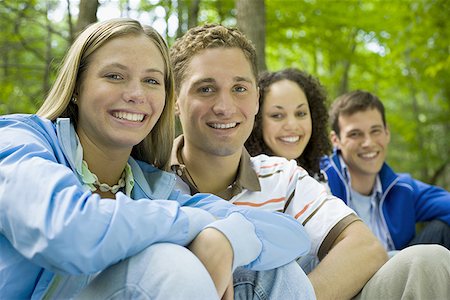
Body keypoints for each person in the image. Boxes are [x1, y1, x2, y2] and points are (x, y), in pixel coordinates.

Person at [0, 18, 314, 299]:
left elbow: (291, 234)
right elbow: (68, 233)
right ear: (77, 88)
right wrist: (197, 223)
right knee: (170, 264)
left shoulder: (151, 185)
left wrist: (225, 237)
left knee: (272, 271)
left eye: (151, 81)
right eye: (114, 76)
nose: (136, 94)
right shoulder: (20, 142)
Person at [170, 24, 450, 299]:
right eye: (205, 89)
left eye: (239, 88)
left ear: (256, 98)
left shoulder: (284, 176)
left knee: (429, 260)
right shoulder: (143, 179)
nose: (224, 106)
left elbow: (364, 248)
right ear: (175, 100)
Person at [321, 90, 450, 250]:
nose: (368, 142)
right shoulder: (319, 179)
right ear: (335, 140)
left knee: (442, 229)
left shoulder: (403, 188)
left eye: (375, 131)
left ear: (387, 133)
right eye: (355, 134)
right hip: (342, 273)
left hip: (401, 272)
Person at [245, 68, 330, 183]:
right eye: (277, 115)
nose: (292, 125)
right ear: (257, 121)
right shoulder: (243, 185)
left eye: (300, 113)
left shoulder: (322, 175)